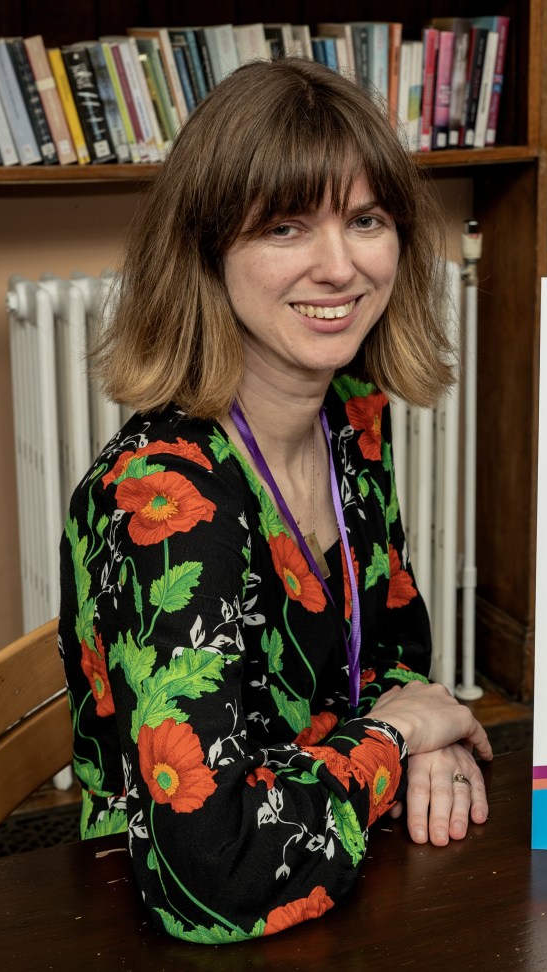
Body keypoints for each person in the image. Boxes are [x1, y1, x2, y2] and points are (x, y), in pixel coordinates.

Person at [58, 58, 491, 944]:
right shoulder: (164, 500)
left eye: (366, 220)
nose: (339, 267)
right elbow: (211, 876)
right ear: (207, 249)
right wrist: (397, 741)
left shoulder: (351, 422)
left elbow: (395, 655)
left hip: (350, 877)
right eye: (287, 226)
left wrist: (423, 724)